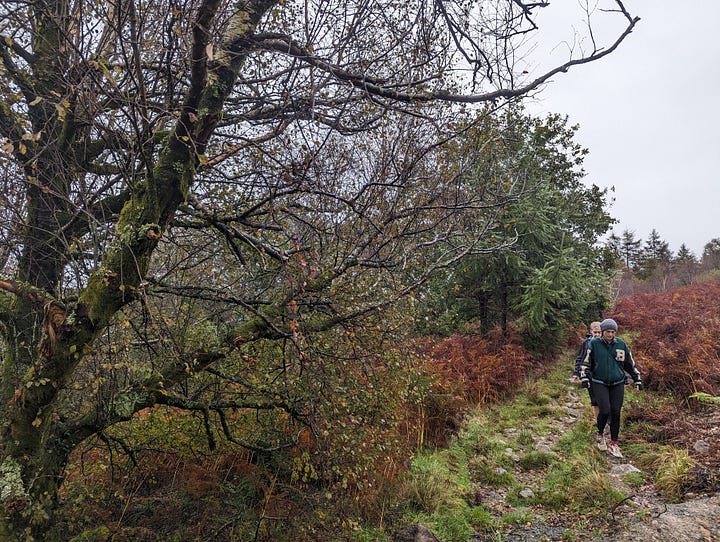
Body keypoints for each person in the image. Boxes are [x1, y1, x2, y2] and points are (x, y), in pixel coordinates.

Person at [580, 318, 642, 458]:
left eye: (613, 332)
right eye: (608, 331)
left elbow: (629, 364)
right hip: (599, 381)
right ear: (602, 331)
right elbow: (586, 361)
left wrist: (637, 378)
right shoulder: (594, 344)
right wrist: (584, 376)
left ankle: (614, 442)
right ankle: (600, 433)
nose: (610, 334)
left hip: (617, 382)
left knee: (616, 412)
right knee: (605, 409)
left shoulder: (621, 344)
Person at [572, 321, 602, 419]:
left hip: (602, 374)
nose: (597, 334)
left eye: (599, 332)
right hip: (589, 374)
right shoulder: (586, 343)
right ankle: (598, 422)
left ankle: (607, 419)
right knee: (594, 400)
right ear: (591, 332)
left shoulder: (605, 343)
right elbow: (580, 358)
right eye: (595, 332)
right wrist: (577, 372)